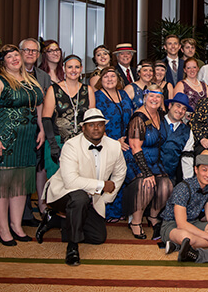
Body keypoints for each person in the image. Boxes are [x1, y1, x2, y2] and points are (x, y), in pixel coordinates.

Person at [38, 108, 127, 266]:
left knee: (98, 237)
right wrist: (102, 185)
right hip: (62, 193)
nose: (96, 128)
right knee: (79, 197)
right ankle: (72, 247)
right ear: (83, 128)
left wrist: (106, 197)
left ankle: (55, 220)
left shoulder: (113, 146)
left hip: (92, 198)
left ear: (104, 127)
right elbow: (71, 181)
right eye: (91, 125)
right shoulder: (71, 146)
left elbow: (121, 172)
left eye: (99, 125)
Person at [0, 43, 45, 246]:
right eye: (9, 57)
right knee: (2, 185)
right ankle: (3, 228)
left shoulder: (30, 80)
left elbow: (39, 104)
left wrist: (41, 128)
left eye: (16, 54)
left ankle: (17, 226)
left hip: (27, 140)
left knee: (19, 184)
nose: (15, 58)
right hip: (4, 138)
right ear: (3, 62)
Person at [123, 84, 172, 240]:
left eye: (158, 96)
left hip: (155, 161)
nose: (154, 99)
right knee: (147, 185)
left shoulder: (160, 115)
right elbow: (135, 148)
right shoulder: (138, 118)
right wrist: (146, 172)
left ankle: (152, 216)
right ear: (144, 97)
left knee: (166, 186)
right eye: (151, 95)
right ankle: (136, 222)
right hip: (136, 161)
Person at [42, 55, 95, 178]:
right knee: (57, 183)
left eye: (77, 67)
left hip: (82, 144)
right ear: (64, 69)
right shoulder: (53, 89)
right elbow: (46, 119)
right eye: (70, 67)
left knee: (81, 182)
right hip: (58, 143)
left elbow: (91, 119)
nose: (73, 70)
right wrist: (53, 145)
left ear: (81, 69)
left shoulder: (88, 90)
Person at [93, 67, 134, 222]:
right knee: (110, 176)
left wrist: (127, 138)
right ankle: (108, 211)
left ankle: (124, 209)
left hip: (125, 142)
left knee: (125, 175)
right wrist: (113, 142)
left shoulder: (123, 94)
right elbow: (96, 123)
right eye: (106, 77)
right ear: (100, 80)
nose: (109, 79)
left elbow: (131, 116)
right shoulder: (97, 96)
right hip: (106, 143)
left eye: (113, 76)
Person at [19, 37, 53, 224]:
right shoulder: (8, 73)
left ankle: (40, 206)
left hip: (39, 131)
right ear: (20, 52)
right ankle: (23, 214)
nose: (30, 54)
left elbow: (46, 106)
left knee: (39, 169)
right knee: (22, 172)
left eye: (34, 51)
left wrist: (44, 130)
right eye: (27, 50)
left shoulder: (44, 77)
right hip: (18, 131)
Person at [160, 92, 196, 185]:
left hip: (170, 178)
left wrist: (188, 183)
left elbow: (187, 159)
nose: (180, 111)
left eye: (184, 109)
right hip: (150, 175)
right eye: (178, 106)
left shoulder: (187, 132)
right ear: (170, 106)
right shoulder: (157, 122)